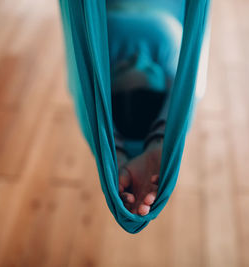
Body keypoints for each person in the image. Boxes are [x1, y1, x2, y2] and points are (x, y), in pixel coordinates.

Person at [107, 2, 183, 216]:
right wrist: (160, 139)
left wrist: (115, 152)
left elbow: (89, 103)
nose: (138, 57)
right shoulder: (169, 46)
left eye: (124, 66)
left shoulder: (103, 44)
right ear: (166, 83)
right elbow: (184, 93)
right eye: (150, 69)